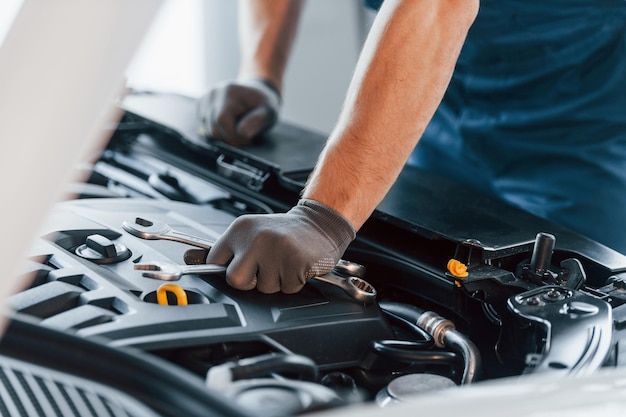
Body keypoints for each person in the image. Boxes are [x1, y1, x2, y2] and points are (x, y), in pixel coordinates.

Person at [197, 0, 626, 294]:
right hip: (432, 108)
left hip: (583, 127)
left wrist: (323, 217)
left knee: (572, 308)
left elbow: (436, 8)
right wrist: (261, 72)